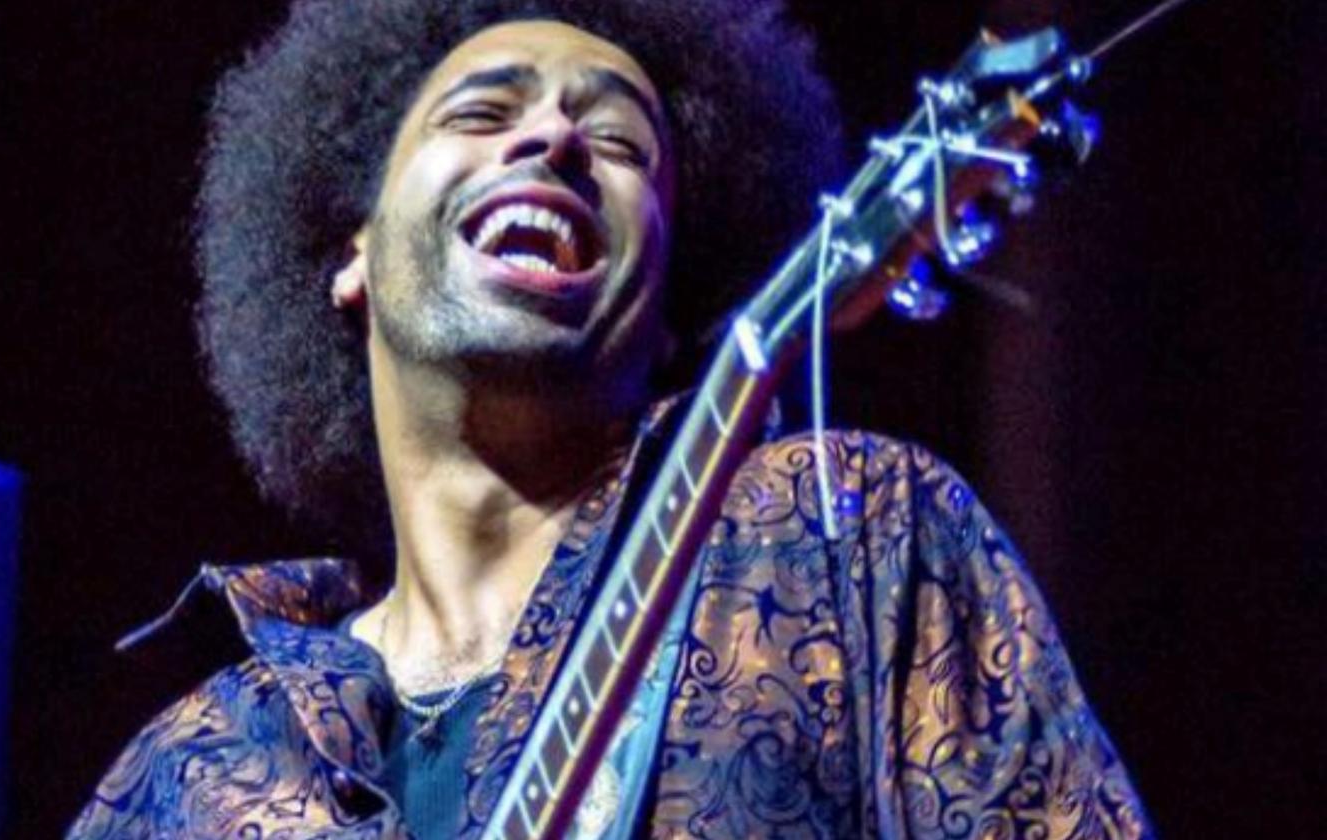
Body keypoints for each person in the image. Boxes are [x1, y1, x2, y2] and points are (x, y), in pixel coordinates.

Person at [69, 0, 1151, 837]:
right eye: (482, 112)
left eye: (622, 145)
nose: (552, 140)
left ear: (671, 289)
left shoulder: (845, 536)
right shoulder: (193, 771)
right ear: (348, 250)